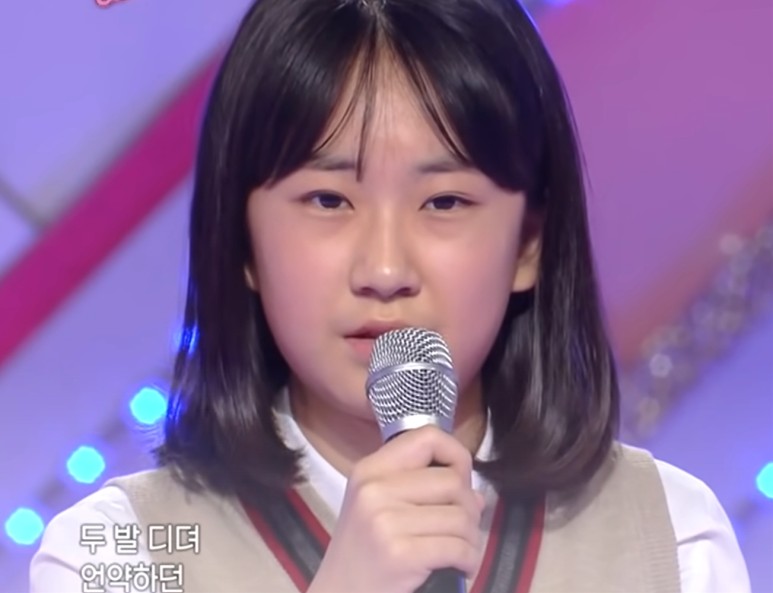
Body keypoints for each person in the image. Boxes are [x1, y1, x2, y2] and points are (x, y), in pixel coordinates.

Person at [30, 0, 750, 591]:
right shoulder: (120, 550)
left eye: (443, 203)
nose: (382, 267)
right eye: (327, 200)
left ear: (528, 244)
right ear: (241, 239)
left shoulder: (667, 535)